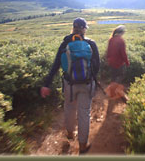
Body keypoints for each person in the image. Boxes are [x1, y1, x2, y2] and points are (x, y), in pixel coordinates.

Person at [40, 17, 100, 154]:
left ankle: (70, 133)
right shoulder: (91, 43)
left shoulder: (65, 43)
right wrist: (91, 77)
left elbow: (56, 64)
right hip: (86, 83)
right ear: (84, 29)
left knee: (69, 107)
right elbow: (97, 66)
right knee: (84, 113)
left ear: (73, 28)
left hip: (69, 84)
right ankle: (83, 146)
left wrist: (47, 84)